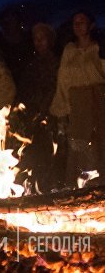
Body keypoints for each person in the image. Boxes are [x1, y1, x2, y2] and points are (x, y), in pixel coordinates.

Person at [50, 11, 104, 184]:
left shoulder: (99, 47)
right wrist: (62, 111)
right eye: (75, 22)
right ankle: (81, 187)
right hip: (78, 104)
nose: (78, 25)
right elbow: (63, 80)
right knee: (80, 145)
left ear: (91, 25)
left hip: (99, 101)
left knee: (100, 143)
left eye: (82, 21)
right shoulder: (69, 50)